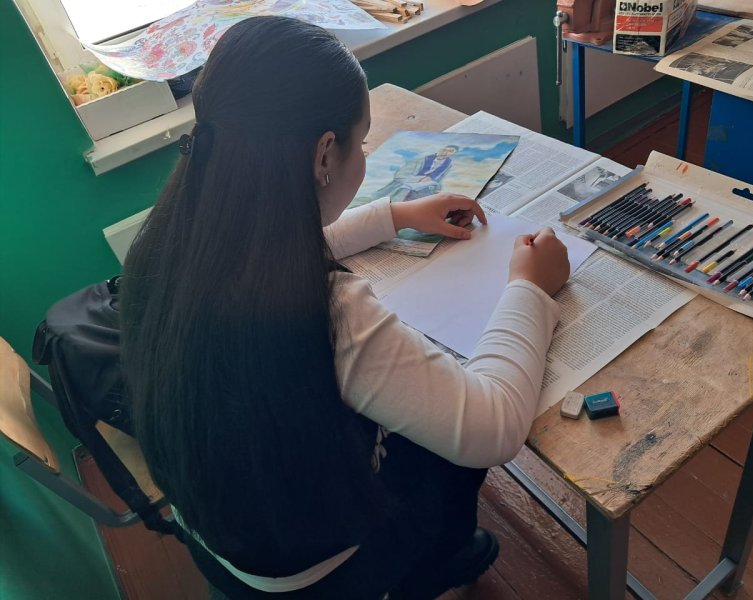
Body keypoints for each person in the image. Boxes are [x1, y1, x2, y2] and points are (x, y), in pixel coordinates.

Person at [121, 16, 569, 600]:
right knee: (450, 441)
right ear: (324, 154)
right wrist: (530, 286)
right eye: (361, 142)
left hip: (225, 536)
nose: (362, 154)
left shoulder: (167, 239)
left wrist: (393, 216)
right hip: (323, 571)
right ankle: (434, 563)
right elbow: (494, 428)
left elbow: (269, 252)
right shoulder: (326, 310)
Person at [370, 145, 459, 202]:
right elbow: (399, 175)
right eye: (445, 149)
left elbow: (440, 178)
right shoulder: (421, 160)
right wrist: (420, 179)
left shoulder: (447, 165)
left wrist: (438, 188)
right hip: (406, 186)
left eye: (451, 151)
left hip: (426, 188)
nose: (446, 152)